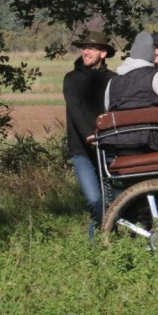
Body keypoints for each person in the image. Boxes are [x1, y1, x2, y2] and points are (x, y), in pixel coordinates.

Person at [63, 30, 116, 240]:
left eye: (91, 48)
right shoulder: (71, 79)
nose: (85, 51)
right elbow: (75, 109)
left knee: (110, 201)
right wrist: (89, 135)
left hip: (108, 148)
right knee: (95, 199)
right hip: (82, 150)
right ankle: (100, 243)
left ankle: (103, 244)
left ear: (103, 53)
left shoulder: (113, 79)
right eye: (84, 48)